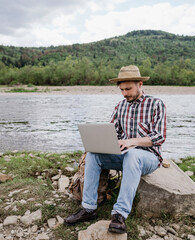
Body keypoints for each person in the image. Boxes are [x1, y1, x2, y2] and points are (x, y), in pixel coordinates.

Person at [64, 65, 167, 234]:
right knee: (94, 154)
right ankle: (89, 208)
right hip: (124, 156)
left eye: (128, 89)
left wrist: (132, 141)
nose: (125, 93)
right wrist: (106, 142)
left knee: (133, 153)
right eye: (122, 90)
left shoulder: (156, 104)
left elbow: (159, 137)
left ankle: (119, 214)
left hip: (149, 158)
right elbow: (114, 133)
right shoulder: (120, 106)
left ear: (140, 84)